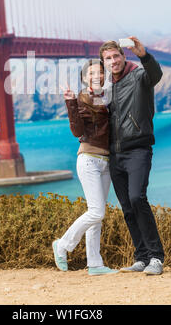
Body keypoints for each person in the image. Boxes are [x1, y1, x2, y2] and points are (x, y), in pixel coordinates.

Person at [100, 37, 165, 275]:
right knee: (127, 207)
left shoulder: (139, 76)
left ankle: (156, 257)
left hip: (138, 148)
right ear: (104, 62)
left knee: (138, 198)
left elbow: (155, 75)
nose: (113, 61)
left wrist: (144, 55)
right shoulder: (106, 88)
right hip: (115, 153)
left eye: (116, 56)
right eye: (108, 58)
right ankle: (141, 257)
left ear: (123, 56)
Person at [52, 59, 117, 276]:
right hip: (88, 158)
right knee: (97, 211)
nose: (96, 76)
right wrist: (70, 102)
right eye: (91, 73)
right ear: (84, 77)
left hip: (106, 162)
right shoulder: (81, 97)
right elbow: (77, 130)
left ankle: (95, 264)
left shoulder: (109, 97)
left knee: (96, 214)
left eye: (100, 72)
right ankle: (62, 245)